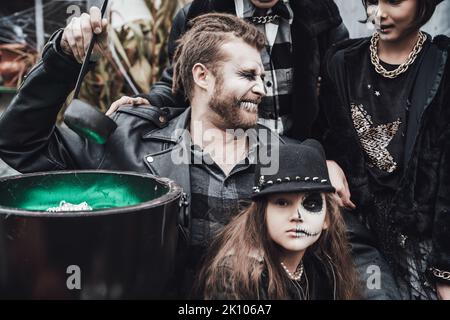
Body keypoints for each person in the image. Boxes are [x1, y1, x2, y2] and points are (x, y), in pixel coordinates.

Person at [0, 10, 396, 299]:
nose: (261, 88)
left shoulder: (291, 158)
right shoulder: (128, 146)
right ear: (201, 76)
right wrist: (62, 60)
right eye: (247, 76)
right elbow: (19, 144)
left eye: (261, 77)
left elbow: (355, 251)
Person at [322, 0, 450, 299]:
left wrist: (445, 271)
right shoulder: (342, 62)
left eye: (393, 1)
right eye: (371, 1)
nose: (378, 13)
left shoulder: (443, 66)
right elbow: (320, 132)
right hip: (357, 237)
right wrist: (326, 160)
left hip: (424, 245)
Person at [106, 0, 349, 141]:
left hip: (302, 160)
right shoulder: (197, 15)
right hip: (229, 162)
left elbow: (341, 103)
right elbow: (179, 86)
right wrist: (149, 103)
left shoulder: (321, 15)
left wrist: (331, 160)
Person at [196, 141, 362, 299]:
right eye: (282, 202)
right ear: (262, 214)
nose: (297, 215)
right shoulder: (236, 275)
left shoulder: (323, 266)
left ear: (327, 219)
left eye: (311, 204)